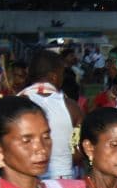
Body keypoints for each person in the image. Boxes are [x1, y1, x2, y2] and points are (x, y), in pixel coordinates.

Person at [20, 49, 85, 179]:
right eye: (62, 74)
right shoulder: (71, 106)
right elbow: (81, 149)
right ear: (54, 76)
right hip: (63, 179)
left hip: (28, 178)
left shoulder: (17, 101)